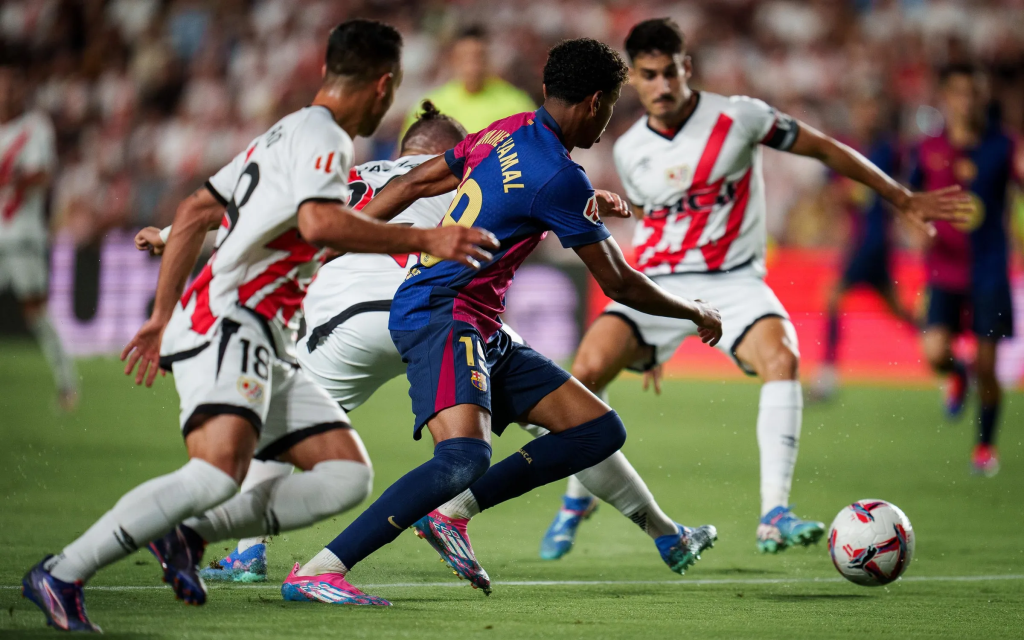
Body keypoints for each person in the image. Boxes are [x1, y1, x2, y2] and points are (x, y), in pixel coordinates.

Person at [21, 20, 498, 632]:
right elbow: (323, 226)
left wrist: (160, 312)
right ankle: (62, 572)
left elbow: (197, 210)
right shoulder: (327, 140)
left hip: (269, 337)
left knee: (345, 476)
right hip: (232, 322)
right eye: (392, 89)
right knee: (214, 472)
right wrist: (423, 236)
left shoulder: (286, 132)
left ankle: (189, 535)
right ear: (383, 88)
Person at [138, 102, 714, 587]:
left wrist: (169, 236)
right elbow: (551, 215)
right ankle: (346, 556)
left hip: (373, 319)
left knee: (286, 434)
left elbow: (269, 217)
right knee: (477, 450)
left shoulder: (365, 173)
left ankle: (247, 551)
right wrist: (593, 210)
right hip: (437, 308)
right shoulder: (478, 167)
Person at [282, 37, 723, 606]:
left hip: (476, 320)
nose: (608, 120)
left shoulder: (505, 129)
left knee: (596, 431)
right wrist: (694, 312)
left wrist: (340, 239)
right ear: (595, 103)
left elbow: (414, 183)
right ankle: (321, 569)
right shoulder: (561, 177)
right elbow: (617, 282)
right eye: (611, 106)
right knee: (463, 457)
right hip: (443, 312)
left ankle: (451, 515)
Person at [537, 19, 970, 559]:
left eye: (670, 71)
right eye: (649, 75)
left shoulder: (739, 116)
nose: (663, 84)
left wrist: (900, 195)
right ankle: (579, 497)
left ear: (685, 68)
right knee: (587, 369)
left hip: (735, 282)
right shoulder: (628, 148)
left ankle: (774, 515)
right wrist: (652, 326)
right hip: (663, 281)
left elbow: (823, 149)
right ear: (637, 82)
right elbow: (656, 222)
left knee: (782, 358)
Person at [911, 64, 1019, 477]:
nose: (967, 101)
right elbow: (911, 199)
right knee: (935, 351)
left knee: (990, 365)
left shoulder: (1004, 145)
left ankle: (985, 446)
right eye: (959, 93)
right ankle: (956, 373)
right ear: (946, 97)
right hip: (944, 269)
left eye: (974, 93)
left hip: (989, 269)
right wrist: (917, 225)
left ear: (982, 96)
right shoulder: (929, 147)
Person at [812, 94, 918, 400]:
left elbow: (907, 183)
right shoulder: (842, 148)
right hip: (862, 241)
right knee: (898, 310)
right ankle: (946, 349)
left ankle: (828, 374)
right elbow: (832, 193)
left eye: (871, 108)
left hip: (873, 241)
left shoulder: (890, 148)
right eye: (861, 108)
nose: (866, 115)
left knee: (832, 297)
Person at [0, 62, 78, 411]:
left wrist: (14, 180)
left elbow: (43, 174)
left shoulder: (33, 128)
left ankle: (67, 383)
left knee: (35, 311)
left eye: (11, 86)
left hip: (22, 235)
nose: (7, 93)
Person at [401, 25, 535, 135]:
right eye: (465, 58)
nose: (472, 66)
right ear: (452, 60)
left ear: (488, 59)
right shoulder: (431, 106)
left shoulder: (516, 104)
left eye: (478, 57)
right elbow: (407, 155)